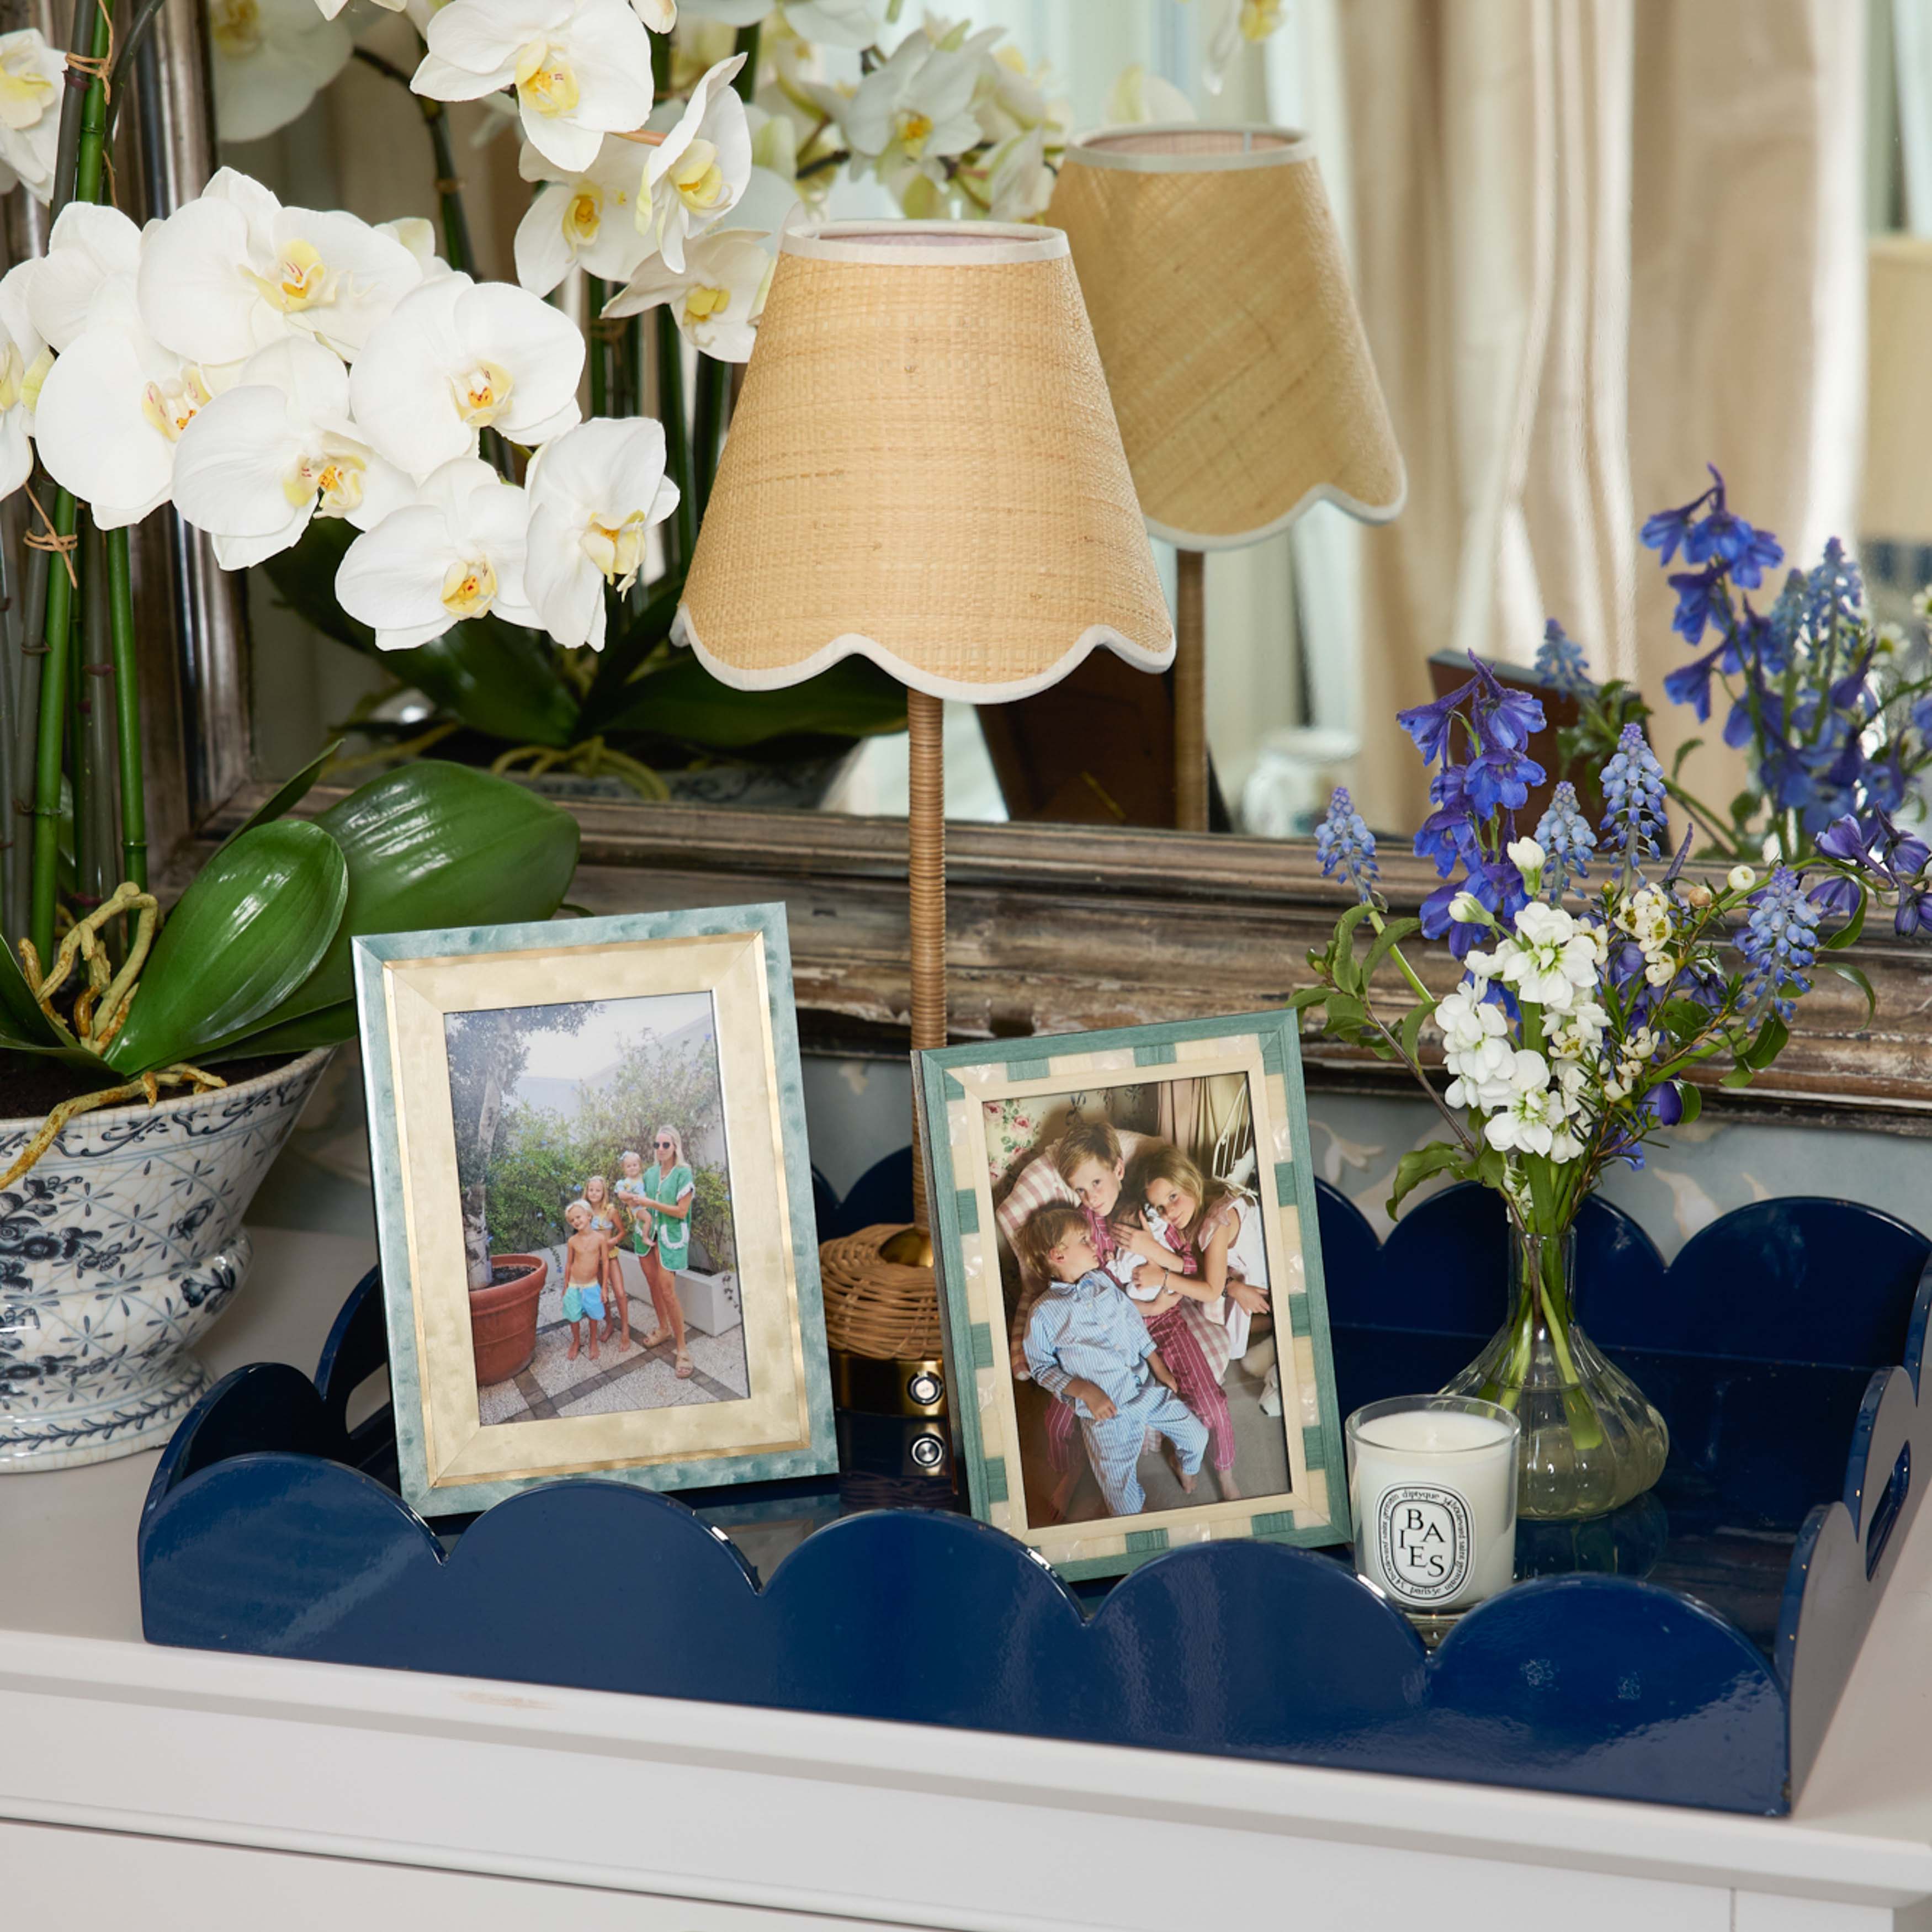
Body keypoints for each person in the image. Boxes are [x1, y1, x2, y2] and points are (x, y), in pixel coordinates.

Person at [1055, 1121, 1243, 1501]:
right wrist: (1144, 1305)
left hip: (1166, 1321)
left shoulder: (1152, 1212)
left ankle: (1224, 1473)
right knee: (1066, 1411)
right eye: (1080, 1188)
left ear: (1118, 1171)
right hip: (1114, 1331)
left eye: (1096, 1183)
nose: (1090, 1197)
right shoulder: (1079, 1227)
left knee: (1211, 1403)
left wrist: (1156, 1266)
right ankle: (1074, 1473)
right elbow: (1089, 1290)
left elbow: (1192, 1267)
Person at [1016, 1202, 1207, 1518]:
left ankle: (1184, 1464)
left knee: (1197, 1435)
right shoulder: (1044, 1312)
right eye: (1085, 1241)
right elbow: (1039, 1367)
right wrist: (1084, 1391)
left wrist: (1158, 1366)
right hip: (1106, 1415)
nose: (1095, 1246)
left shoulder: (1103, 1282)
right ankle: (1133, 1510)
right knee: (1121, 1500)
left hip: (1143, 1390)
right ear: (1058, 1256)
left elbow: (1133, 1324)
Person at [1134, 1142, 1271, 1359]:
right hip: (1236, 1274)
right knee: (1205, 1300)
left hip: (1267, 1273)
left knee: (1213, 1312)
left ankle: (1274, 1322)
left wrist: (1162, 1277)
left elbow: (1211, 1291)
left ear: (1189, 1182)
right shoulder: (1189, 1215)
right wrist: (1232, 1285)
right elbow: (1199, 1265)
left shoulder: (1217, 1222)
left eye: (1173, 1197)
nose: (1169, 1212)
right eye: (1160, 1207)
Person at [624, 1129, 696, 1380]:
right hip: (648, 1235)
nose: (661, 1148)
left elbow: (680, 1211)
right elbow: (635, 1197)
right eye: (657, 1144)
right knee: (653, 1284)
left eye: (667, 1144)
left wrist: (651, 1204)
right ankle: (663, 1328)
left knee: (667, 1289)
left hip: (671, 1236)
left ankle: (683, 1347)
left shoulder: (683, 1173)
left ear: (675, 1146)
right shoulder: (651, 1174)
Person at [579, 1174, 630, 1350]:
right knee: (603, 1295)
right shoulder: (584, 1213)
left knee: (621, 1293)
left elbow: (622, 1232)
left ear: (604, 1193)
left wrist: (612, 1241)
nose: (594, 1193)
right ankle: (609, 1324)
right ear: (587, 1191)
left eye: (598, 1190)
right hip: (594, 1260)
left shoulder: (611, 1211)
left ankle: (625, 1330)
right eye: (591, 1190)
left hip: (611, 1257)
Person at [559, 1201, 609, 1363]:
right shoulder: (572, 1241)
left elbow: (606, 1263)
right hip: (574, 1284)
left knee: (594, 1314)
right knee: (574, 1316)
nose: (576, 1221)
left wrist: (605, 1289)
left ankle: (593, 1341)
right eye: (572, 1220)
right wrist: (566, 1285)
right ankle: (576, 1341)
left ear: (589, 1216)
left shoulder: (600, 1239)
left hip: (592, 1284)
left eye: (578, 1217)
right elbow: (569, 1264)